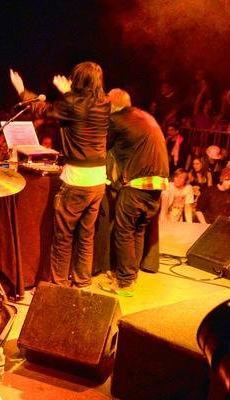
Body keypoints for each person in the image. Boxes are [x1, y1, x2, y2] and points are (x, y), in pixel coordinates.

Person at [10, 61, 110, 287]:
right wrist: (68, 94)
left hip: (77, 178)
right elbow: (79, 109)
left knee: (64, 237)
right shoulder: (104, 103)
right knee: (86, 236)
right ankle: (82, 282)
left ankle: (59, 286)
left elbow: (42, 109)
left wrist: (22, 90)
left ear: (79, 81)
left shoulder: (73, 104)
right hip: (98, 179)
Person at [98, 89, 169, 297]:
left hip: (137, 185)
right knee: (137, 231)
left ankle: (125, 282)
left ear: (112, 105)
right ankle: (130, 275)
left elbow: (101, 144)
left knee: (124, 232)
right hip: (157, 186)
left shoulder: (117, 120)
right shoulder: (145, 116)